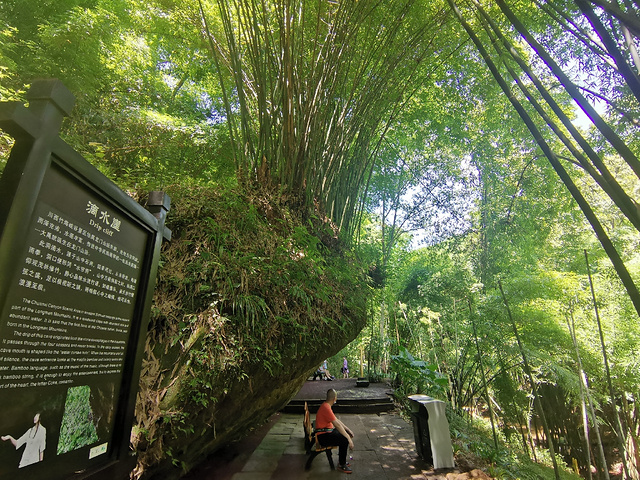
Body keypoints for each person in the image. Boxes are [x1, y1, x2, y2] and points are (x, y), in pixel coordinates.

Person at [315, 388, 354, 474]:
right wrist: (349, 439)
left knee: (344, 434)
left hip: (326, 431)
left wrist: (348, 430)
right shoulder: (326, 408)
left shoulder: (326, 406)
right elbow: (337, 424)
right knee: (344, 440)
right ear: (335, 398)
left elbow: (337, 421)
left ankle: (341, 461)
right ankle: (342, 464)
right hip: (323, 436)